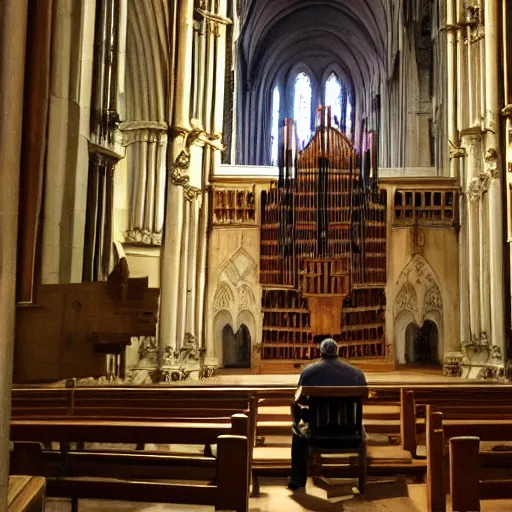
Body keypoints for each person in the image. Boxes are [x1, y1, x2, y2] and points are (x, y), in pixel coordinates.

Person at [288, 338, 367, 491]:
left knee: (297, 430)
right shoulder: (356, 374)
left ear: (320, 351)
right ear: (337, 351)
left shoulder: (309, 371)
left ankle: (297, 480)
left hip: (317, 435)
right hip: (350, 435)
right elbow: (364, 397)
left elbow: (299, 399)